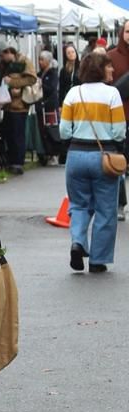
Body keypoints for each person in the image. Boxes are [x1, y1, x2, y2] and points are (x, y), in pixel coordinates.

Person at [60, 52, 126, 273]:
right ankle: (98, 260)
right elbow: (118, 132)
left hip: (76, 155)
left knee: (78, 204)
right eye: (108, 67)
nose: (112, 70)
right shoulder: (112, 94)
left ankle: (77, 241)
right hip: (104, 156)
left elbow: (63, 131)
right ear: (100, 69)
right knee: (106, 209)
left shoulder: (73, 93)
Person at [0, 40, 37, 174]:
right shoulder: (4, 65)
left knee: (18, 134)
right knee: (9, 134)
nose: (1, 58)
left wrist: (14, 83)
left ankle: (18, 163)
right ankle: (11, 161)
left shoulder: (25, 61)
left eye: (3, 55)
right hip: (7, 104)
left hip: (20, 105)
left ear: (9, 52)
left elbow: (32, 79)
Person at [108, 21, 129, 222]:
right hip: (120, 117)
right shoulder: (112, 57)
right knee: (119, 163)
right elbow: (108, 85)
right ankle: (120, 203)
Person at [36, 50, 59, 165]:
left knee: (51, 129)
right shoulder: (39, 74)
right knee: (42, 130)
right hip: (41, 105)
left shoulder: (53, 73)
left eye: (42, 60)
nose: (40, 62)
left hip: (50, 106)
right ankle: (45, 153)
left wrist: (41, 84)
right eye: (39, 59)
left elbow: (51, 88)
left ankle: (54, 154)